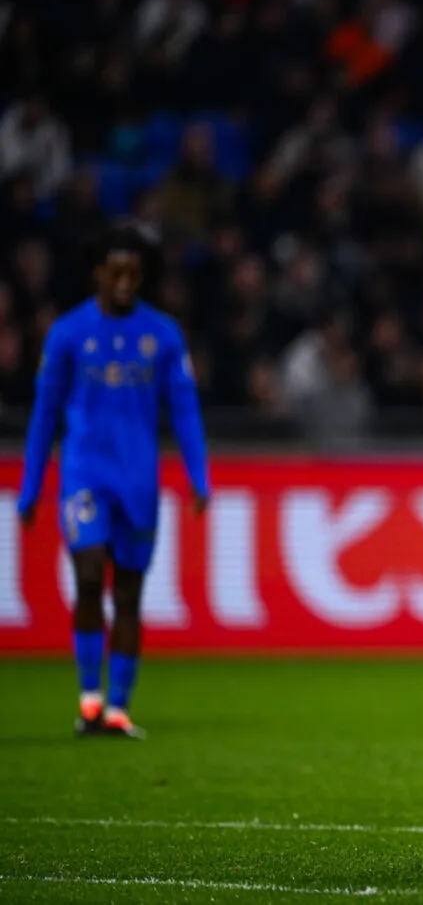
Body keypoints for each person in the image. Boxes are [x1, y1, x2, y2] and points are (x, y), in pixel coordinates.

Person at [17, 225, 210, 739]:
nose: (126, 280)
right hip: (85, 474)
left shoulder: (163, 335)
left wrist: (199, 476)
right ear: (97, 272)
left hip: (138, 481)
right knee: (87, 575)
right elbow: (45, 414)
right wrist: (31, 486)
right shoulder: (67, 333)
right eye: (116, 270)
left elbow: (185, 411)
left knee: (128, 593)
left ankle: (119, 709)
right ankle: (88, 700)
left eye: (134, 271)